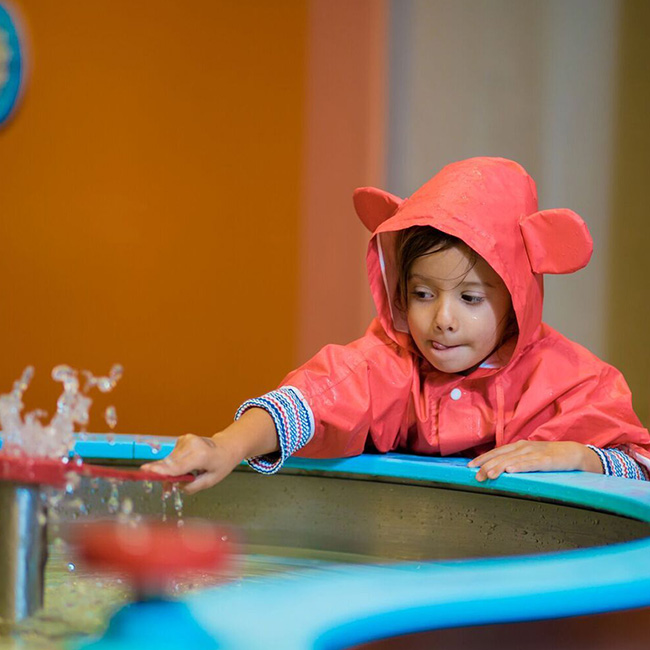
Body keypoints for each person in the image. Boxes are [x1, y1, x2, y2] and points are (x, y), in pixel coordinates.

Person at [143, 157, 650, 493]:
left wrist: (577, 456)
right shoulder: (389, 362)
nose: (443, 320)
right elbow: (315, 400)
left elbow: (641, 467)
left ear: (518, 298)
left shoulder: (573, 380)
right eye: (424, 295)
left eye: (471, 298)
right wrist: (226, 445)